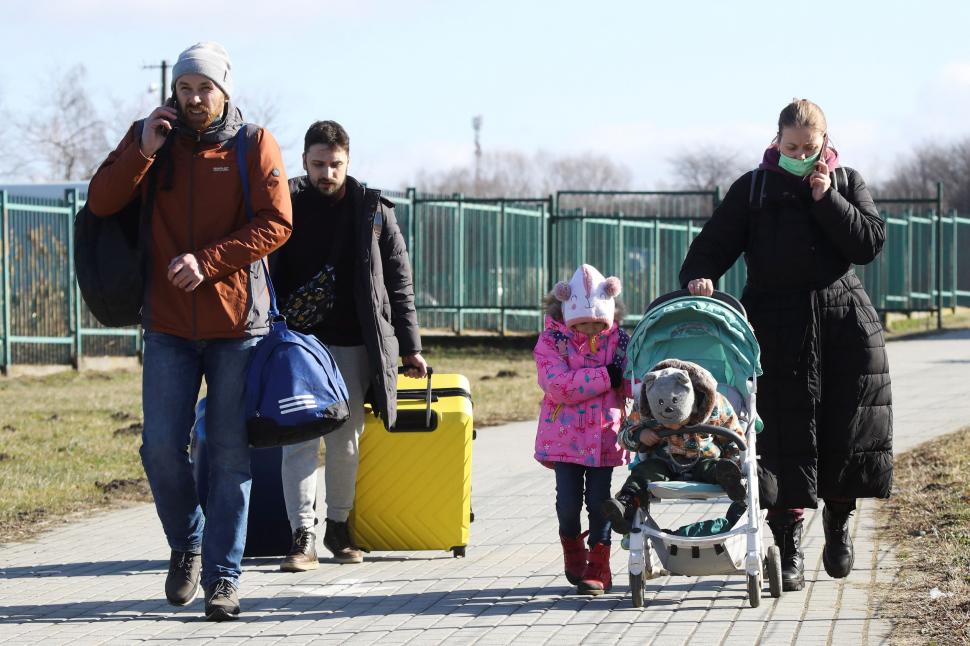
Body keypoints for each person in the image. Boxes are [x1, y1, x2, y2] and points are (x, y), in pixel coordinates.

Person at [86, 42, 292, 620]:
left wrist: (209, 260)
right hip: (168, 325)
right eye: (184, 88)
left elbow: (277, 222)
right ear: (173, 92)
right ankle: (188, 543)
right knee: (158, 449)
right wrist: (142, 151)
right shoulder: (150, 138)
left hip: (236, 327)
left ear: (224, 90)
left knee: (228, 456)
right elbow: (102, 202)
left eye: (204, 88)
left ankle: (225, 578)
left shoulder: (254, 144)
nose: (194, 98)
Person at [678, 98, 893, 592]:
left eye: (809, 147)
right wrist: (699, 278)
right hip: (774, 325)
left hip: (843, 325)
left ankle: (839, 526)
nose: (799, 154)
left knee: (846, 430)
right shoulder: (753, 189)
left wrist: (827, 200)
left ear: (825, 142)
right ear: (776, 141)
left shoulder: (847, 182)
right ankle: (788, 547)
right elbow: (712, 245)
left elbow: (868, 244)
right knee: (780, 439)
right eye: (790, 146)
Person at [270, 120, 426, 571]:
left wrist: (411, 346)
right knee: (298, 441)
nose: (327, 173)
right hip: (297, 346)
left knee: (346, 439)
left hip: (356, 344)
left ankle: (337, 526)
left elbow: (399, 282)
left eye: (335, 164)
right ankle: (302, 536)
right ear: (304, 161)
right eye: (318, 164)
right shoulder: (283, 202)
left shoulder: (373, 209)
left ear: (348, 161)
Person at [534, 264, 629, 595]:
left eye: (597, 323)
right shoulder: (553, 342)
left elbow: (631, 382)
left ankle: (599, 564)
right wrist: (607, 377)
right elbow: (557, 384)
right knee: (568, 503)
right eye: (583, 323)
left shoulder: (620, 343)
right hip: (565, 438)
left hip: (604, 435)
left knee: (601, 501)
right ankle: (573, 546)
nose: (591, 329)